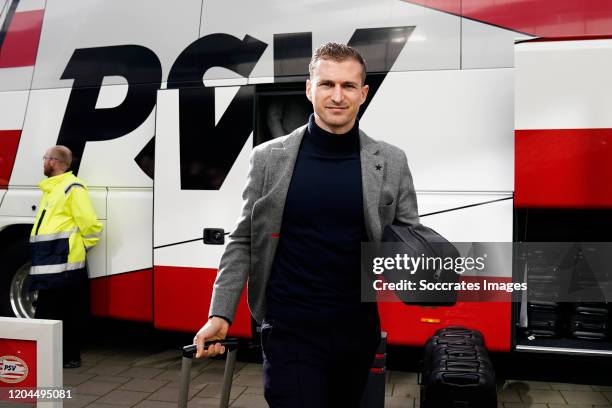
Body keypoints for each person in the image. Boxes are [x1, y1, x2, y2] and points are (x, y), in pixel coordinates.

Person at [194, 43, 419, 407]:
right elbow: (243, 240)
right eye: (327, 84)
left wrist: (426, 272)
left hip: (356, 329)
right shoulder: (269, 158)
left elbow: (409, 235)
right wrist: (221, 313)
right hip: (289, 329)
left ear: (363, 94)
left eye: (348, 86)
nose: (337, 96)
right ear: (308, 88)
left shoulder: (390, 160)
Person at [29, 145, 103, 368]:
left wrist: (79, 247)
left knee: (61, 311)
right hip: (51, 260)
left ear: (53, 161)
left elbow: (90, 224)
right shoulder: (52, 188)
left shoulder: (72, 187)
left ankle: (68, 357)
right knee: (54, 310)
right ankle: (56, 356)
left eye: (45, 159)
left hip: (64, 262)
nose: (43, 162)